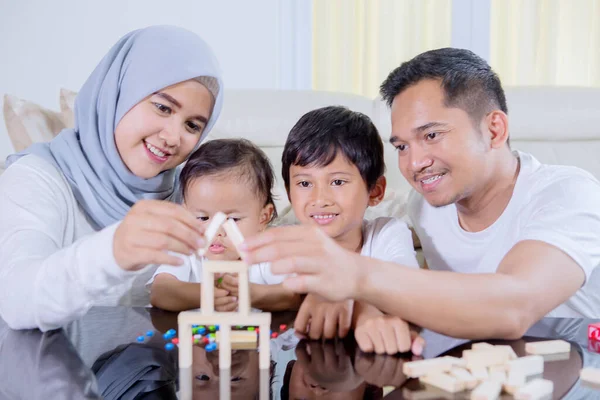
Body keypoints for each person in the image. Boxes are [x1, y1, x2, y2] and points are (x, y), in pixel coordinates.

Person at [241, 48, 600, 339]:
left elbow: (514, 306)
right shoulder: (426, 206)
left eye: (431, 135)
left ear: (494, 130)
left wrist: (355, 277)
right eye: (401, 146)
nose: (414, 164)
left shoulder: (569, 194)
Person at [0, 25, 224, 331]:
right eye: (162, 107)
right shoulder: (37, 178)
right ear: (117, 94)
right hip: (60, 373)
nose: (173, 137)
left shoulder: (192, 191)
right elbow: (17, 300)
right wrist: (113, 250)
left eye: (192, 125)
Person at [280, 106, 422, 354]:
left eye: (337, 182)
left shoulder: (386, 234)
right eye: (304, 183)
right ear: (289, 191)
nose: (319, 198)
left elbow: (408, 289)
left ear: (375, 190)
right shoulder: (282, 245)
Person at [148, 138, 301, 312]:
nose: (218, 232)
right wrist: (205, 294)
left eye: (233, 220)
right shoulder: (187, 251)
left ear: (263, 218)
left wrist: (256, 294)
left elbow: (293, 295)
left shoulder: (267, 254)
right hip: (198, 337)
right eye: (202, 218)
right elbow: (160, 291)